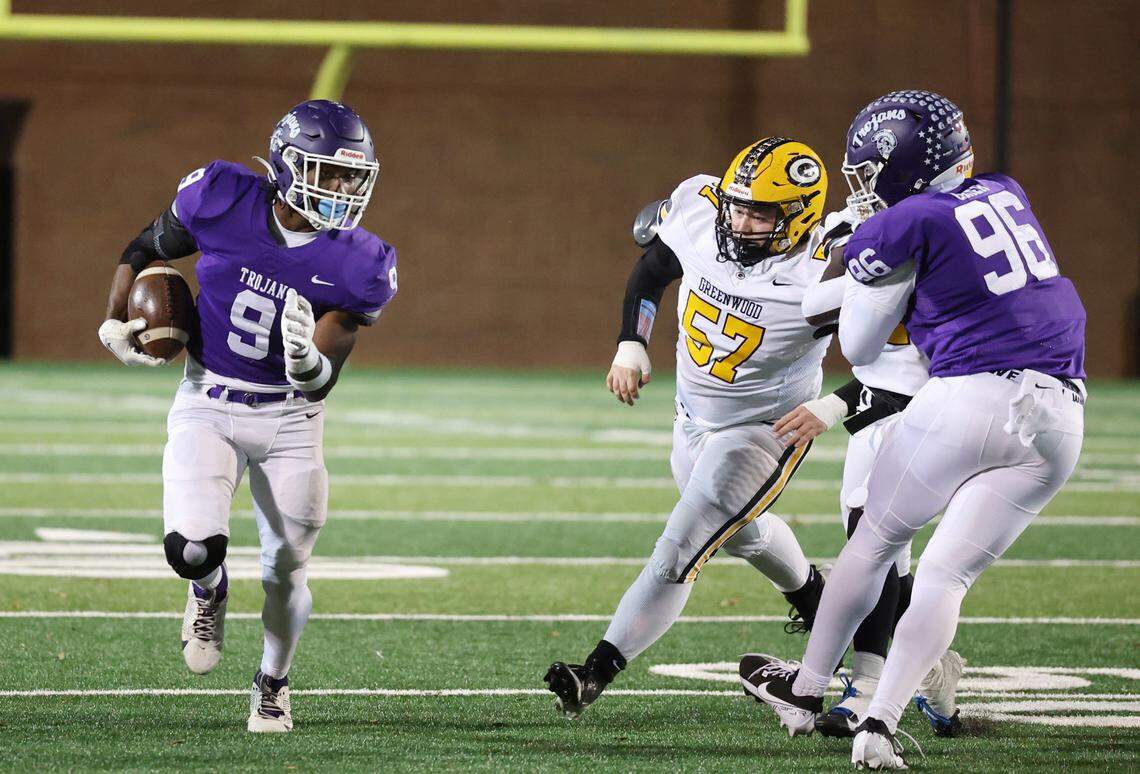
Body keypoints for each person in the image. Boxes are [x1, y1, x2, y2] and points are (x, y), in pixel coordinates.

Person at [739, 90, 1085, 769]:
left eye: (867, 174)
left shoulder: (902, 222)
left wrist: (863, 273)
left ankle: (807, 691)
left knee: (873, 541)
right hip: (1062, 417)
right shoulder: (1003, 190)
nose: (863, 189)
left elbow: (863, 346)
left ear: (898, 167)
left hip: (970, 396)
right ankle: (879, 726)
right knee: (946, 577)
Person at [97, 99, 398, 733]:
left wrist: (305, 360)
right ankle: (208, 590)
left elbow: (325, 377)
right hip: (208, 398)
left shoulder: (362, 260)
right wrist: (115, 315)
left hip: (291, 420)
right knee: (189, 549)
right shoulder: (220, 195)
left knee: (286, 569)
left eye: (353, 176)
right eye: (330, 173)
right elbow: (145, 245)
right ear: (288, 167)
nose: (345, 190)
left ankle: (273, 681)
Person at [545, 137, 835, 718]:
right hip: (692, 416)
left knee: (682, 544)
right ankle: (818, 599)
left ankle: (594, 671)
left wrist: (840, 404)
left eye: (760, 212)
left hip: (763, 429)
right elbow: (653, 268)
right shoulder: (702, 210)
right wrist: (632, 340)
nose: (740, 219)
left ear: (800, 216)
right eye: (737, 204)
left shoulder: (824, 268)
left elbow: (887, 338)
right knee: (740, 535)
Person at [771, 204, 964, 738]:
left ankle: (866, 685)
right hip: (871, 403)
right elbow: (814, 308)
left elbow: (827, 306)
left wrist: (863, 256)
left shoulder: (943, 226)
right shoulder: (848, 224)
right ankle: (924, 665)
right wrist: (847, 245)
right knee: (881, 545)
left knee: (872, 541)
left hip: (929, 399)